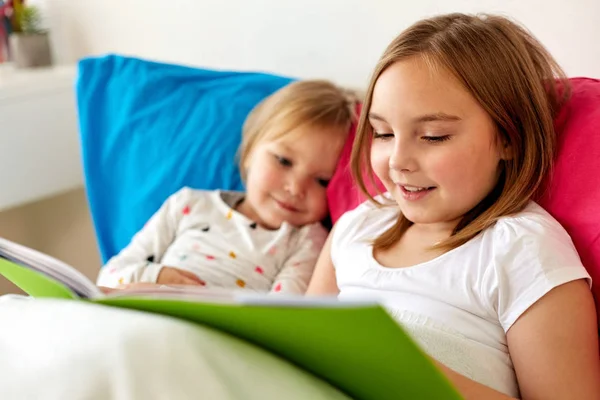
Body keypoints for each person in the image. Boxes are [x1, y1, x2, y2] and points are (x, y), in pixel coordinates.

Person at [307, 13, 600, 399]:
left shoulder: (521, 250)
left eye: (433, 136)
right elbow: (302, 344)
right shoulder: (356, 229)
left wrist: (411, 369)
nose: (398, 161)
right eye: (383, 133)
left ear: (509, 137)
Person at [97, 80, 357, 295]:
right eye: (283, 161)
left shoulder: (307, 241)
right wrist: (157, 276)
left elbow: (281, 317)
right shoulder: (188, 204)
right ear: (248, 153)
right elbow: (109, 276)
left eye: (322, 180)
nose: (295, 187)